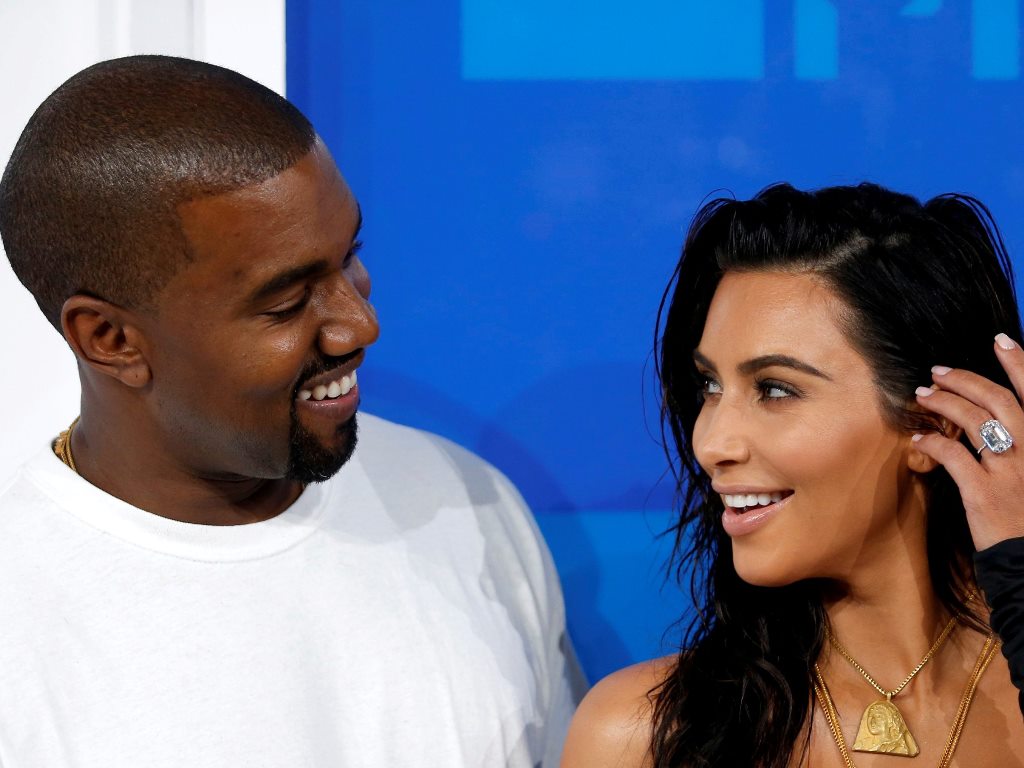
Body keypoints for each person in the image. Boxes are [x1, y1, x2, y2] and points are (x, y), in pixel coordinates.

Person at [0, 55, 584, 767]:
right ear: (111, 339)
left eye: (350, 256)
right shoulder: (19, 632)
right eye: (285, 301)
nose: (359, 325)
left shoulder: (463, 499)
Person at [561, 183, 1024, 767]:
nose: (711, 444)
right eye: (710, 385)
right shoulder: (639, 735)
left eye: (775, 389)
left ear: (935, 423)